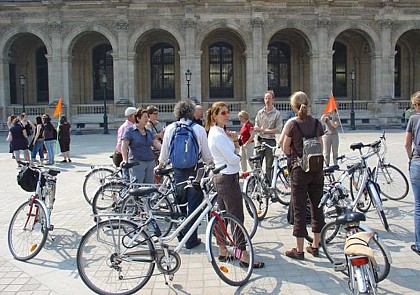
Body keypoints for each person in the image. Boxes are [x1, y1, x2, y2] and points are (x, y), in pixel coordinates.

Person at [206, 101, 264, 268]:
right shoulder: (217, 135)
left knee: (222, 215)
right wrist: (237, 150)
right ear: (214, 116)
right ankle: (244, 256)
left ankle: (223, 249)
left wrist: (235, 143)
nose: (227, 115)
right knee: (236, 217)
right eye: (223, 113)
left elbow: (233, 153)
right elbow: (233, 158)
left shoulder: (219, 132)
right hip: (227, 178)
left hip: (224, 177)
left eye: (228, 111)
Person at [155, 99, 213, 249]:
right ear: (192, 112)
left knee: (181, 205)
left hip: (178, 171)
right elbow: (206, 153)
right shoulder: (198, 129)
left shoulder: (170, 128)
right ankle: (191, 239)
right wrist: (211, 164)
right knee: (194, 207)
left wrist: (160, 165)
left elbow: (165, 150)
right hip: (196, 170)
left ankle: (181, 234)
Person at [282, 91, 325, 260]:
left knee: (300, 209)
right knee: (317, 207)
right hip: (317, 169)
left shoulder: (293, 124)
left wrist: (293, 153)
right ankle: (315, 246)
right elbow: (320, 145)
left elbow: (285, 147)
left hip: (299, 170)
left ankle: (299, 250)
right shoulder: (316, 123)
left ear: (293, 106)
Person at [121, 108, 161, 184]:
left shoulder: (148, 131)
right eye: (145, 117)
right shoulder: (130, 131)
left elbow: (155, 143)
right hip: (137, 162)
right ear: (138, 118)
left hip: (150, 161)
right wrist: (124, 159)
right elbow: (124, 146)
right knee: (137, 186)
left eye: (147, 117)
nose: (147, 119)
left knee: (149, 187)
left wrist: (165, 151)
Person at [253, 90, 283, 182]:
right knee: (257, 164)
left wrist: (264, 130)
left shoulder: (277, 114)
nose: (267, 100)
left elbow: (279, 129)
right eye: (266, 98)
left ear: (273, 100)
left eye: (269, 98)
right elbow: (256, 125)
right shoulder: (260, 112)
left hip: (270, 141)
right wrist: (257, 128)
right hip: (260, 141)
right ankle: (255, 184)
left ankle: (269, 185)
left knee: (269, 165)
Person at [404, 90, 420, 256]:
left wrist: (410, 159)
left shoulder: (414, 118)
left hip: (418, 162)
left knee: (419, 206)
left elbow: (407, 143)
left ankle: (419, 244)